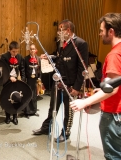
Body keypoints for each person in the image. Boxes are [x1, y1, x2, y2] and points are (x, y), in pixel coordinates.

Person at [70, 13, 121, 160]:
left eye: (101, 30)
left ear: (111, 32)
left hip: (114, 116)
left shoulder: (114, 55)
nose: (99, 34)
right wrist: (100, 92)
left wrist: (85, 102)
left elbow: (113, 88)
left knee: (114, 156)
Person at [32, 19, 89, 143]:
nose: (58, 32)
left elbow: (82, 67)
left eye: (60, 30)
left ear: (68, 30)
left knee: (69, 112)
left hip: (71, 84)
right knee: (53, 107)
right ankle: (46, 127)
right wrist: (50, 57)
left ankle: (65, 132)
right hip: (58, 81)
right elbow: (60, 58)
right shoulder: (61, 43)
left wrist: (77, 87)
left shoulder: (80, 44)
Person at [1, 41, 25, 125]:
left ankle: (15, 117)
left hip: (16, 80)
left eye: (17, 51)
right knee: (7, 98)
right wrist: (9, 77)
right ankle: (7, 117)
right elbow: (3, 69)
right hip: (7, 80)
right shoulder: (4, 57)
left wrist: (23, 79)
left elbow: (22, 69)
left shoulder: (19, 57)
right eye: (13, 51)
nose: (15, 53)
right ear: (9, 50)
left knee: (16, 98)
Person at [24, 44, 41, 118]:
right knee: (28, 95)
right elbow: (24, 70)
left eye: (33, 49)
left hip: (35, 79)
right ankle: (27, 112)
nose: (32, 50)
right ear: (29, 50)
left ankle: (34, 110)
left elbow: (40, 70)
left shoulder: (38, 58)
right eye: (31, 49)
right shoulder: (26, 59)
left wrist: (40, 79)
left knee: (34, 95)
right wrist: (24, 79)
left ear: (35, 50)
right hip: (28, 79)